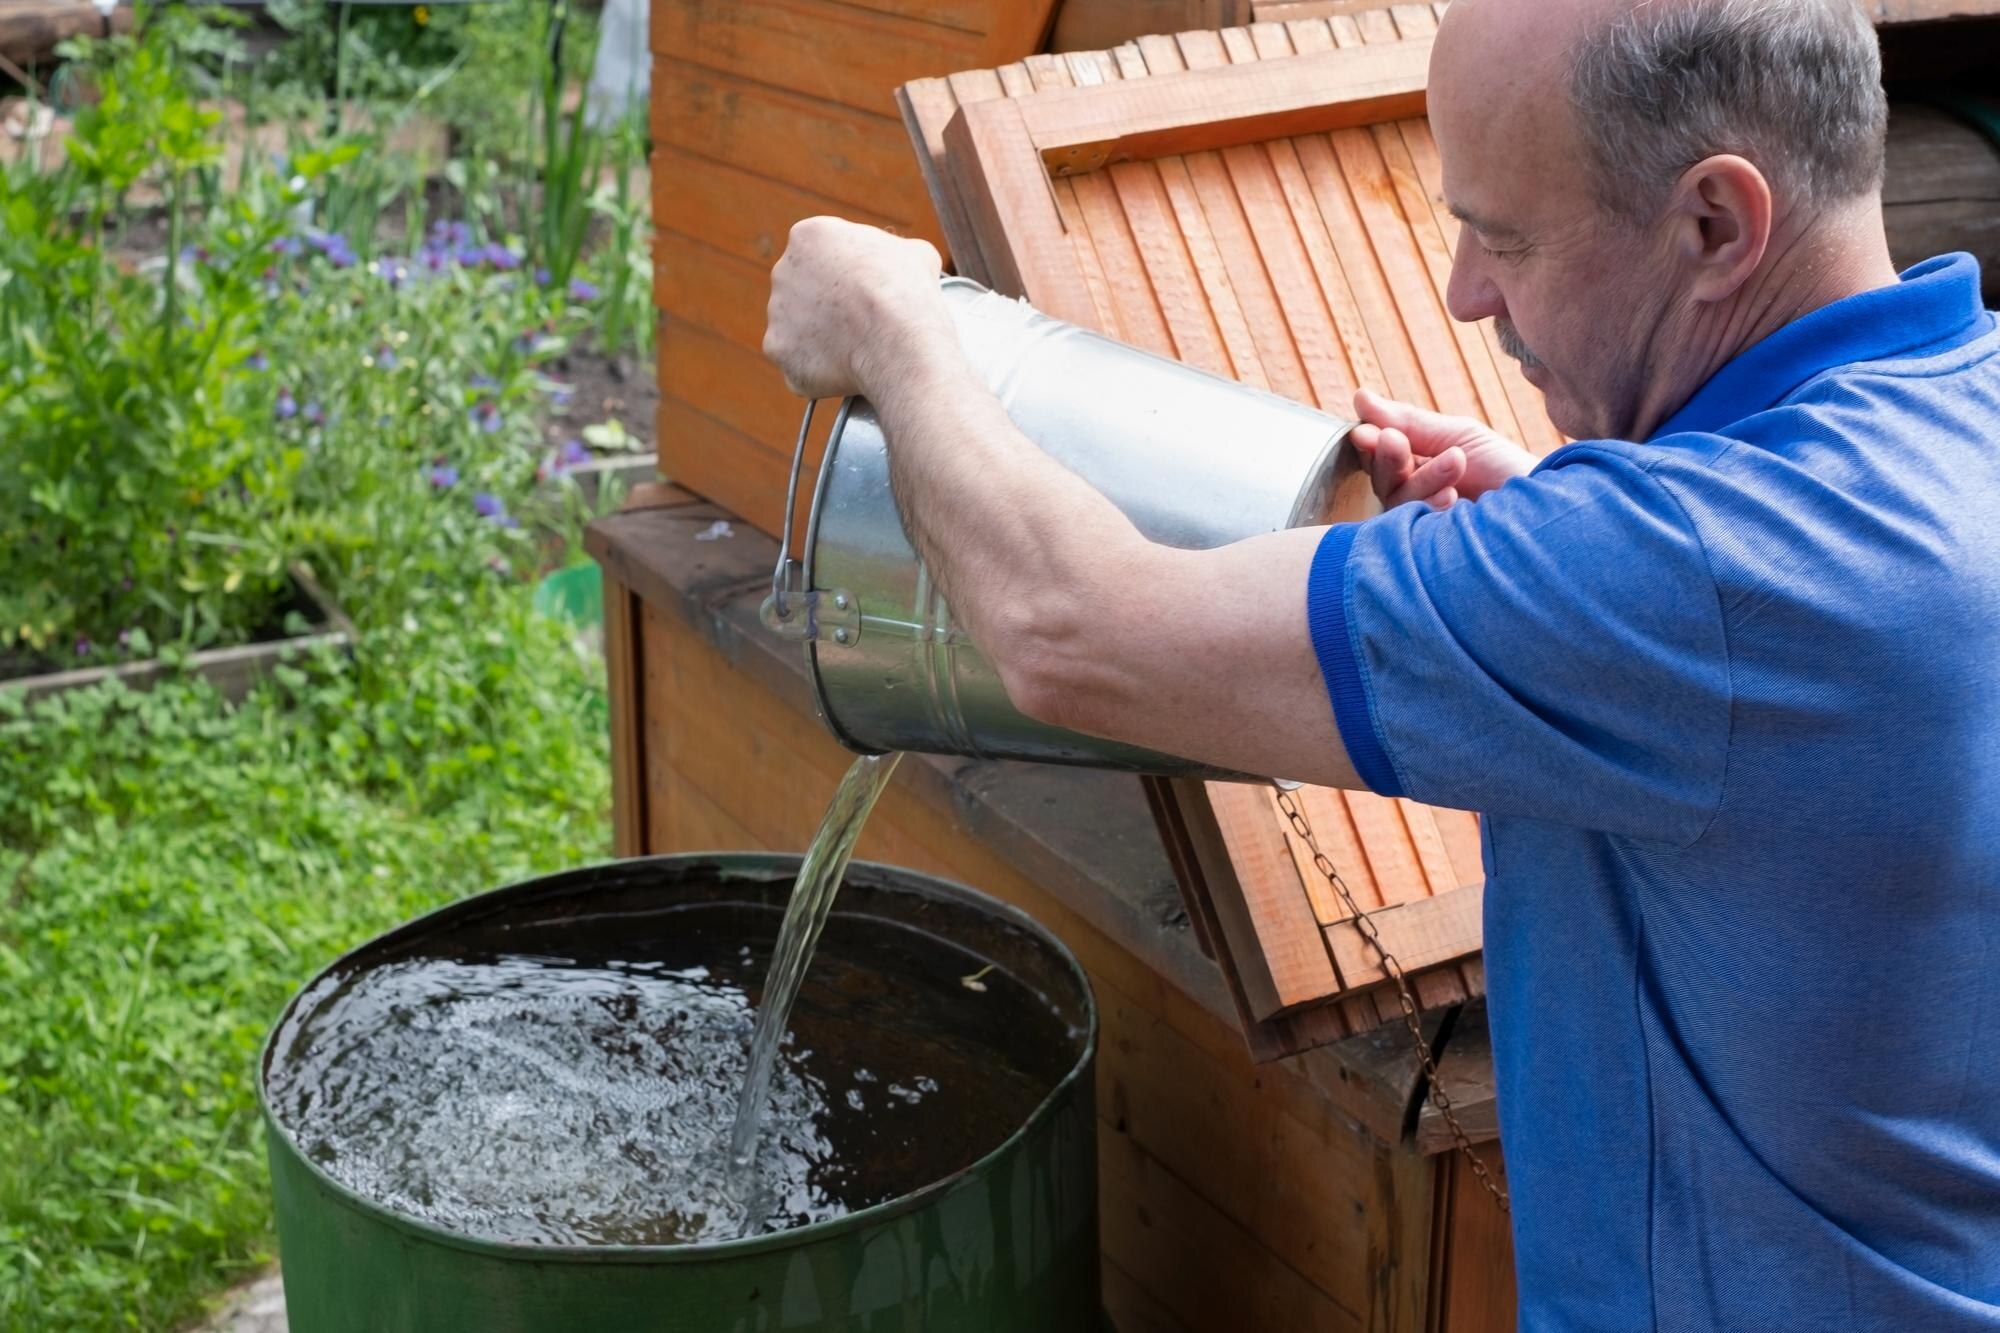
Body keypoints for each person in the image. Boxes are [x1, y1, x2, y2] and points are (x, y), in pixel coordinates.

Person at [761, 0, 2000, 1326]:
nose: (1467, 292)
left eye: (1505, 238)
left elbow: (1067, 632)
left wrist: (892, 332)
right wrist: (1558, 538)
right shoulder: (1953, 413)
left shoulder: (1684, 574)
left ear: (1714, 224)